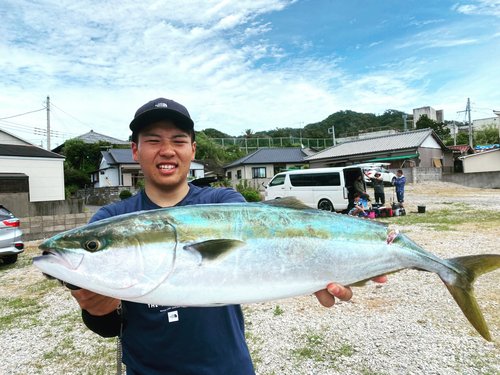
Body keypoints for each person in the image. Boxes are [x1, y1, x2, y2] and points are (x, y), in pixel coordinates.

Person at [70, 97, 387, 375]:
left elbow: (265, 249)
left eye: (179, 140)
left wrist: (313, 267)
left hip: (227, 366)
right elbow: (108, 325)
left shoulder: (223, 204)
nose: (167, 150)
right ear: (135, 151)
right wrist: (97, 309)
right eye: (153, 141)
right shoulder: (111, 221)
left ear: (192, 150)